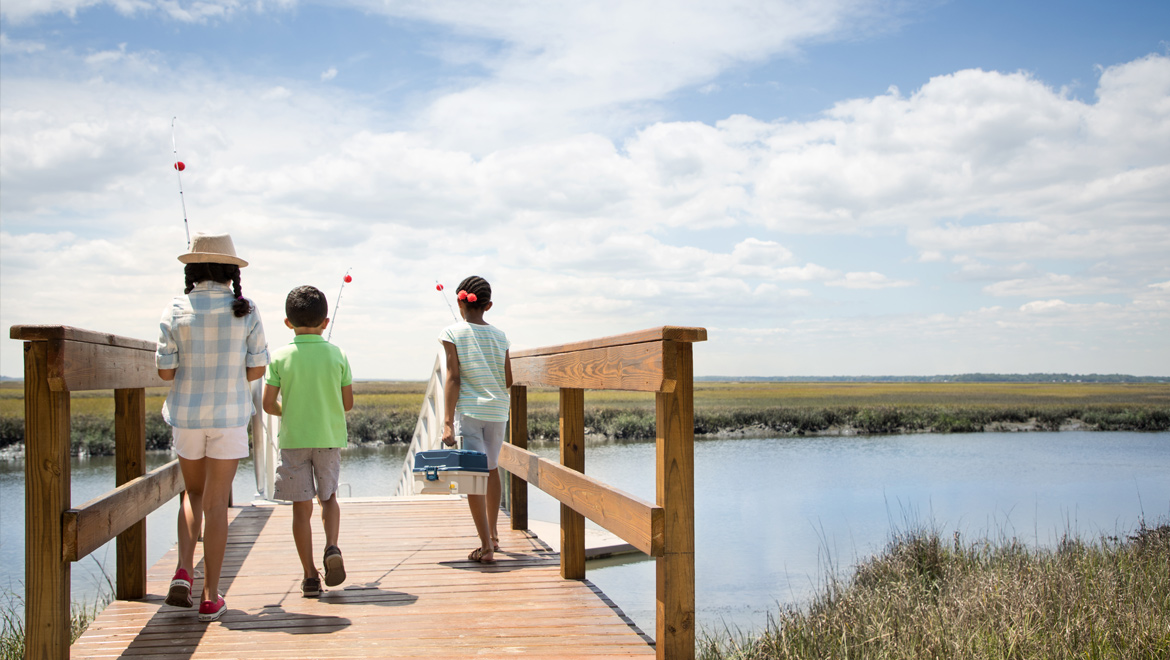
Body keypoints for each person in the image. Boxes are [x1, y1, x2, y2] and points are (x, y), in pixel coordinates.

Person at [157, 232, 269, 622]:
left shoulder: (175, 308)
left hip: (187, 416)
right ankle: (210, 597)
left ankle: (183, 571)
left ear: (192, 269)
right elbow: (257, 368)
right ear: (230, 270)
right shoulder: (246, 309)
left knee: (192, 493)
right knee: (217, 503)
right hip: (229, 416)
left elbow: (165, 371)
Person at [262, 285, 354, 597]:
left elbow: (268, 404)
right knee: (328, 498)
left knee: (301, 509)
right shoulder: (338, 354)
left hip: (294, 441)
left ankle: (310, 576)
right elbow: (347, 403)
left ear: (288, 322)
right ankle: (332, 547)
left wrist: (286, 412)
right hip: (328, 439)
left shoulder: (279, 356)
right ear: (325, 322)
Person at [439, 275, 512, 564]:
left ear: (460, 302)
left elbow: (453, 377)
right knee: (492, 468)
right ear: (488, 305)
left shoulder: (452, 333)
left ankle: (485, 546)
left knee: (474, 476)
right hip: (498, 412)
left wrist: (447, 421)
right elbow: (507, 379)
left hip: (470, 412)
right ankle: (493, 533)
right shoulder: (501, 336)